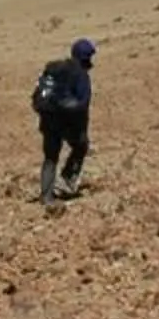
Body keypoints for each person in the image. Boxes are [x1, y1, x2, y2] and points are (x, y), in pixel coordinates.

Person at [33, 38, 96, 205]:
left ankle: (46, 196)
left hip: (48, 119)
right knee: (81, 146)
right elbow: (82, 105)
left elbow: (40, 95)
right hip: (67, 122)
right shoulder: (81, 75)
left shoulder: (53, 70)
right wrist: (81, 132)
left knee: (50, 157)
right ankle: (66, 180)